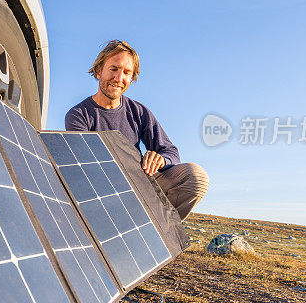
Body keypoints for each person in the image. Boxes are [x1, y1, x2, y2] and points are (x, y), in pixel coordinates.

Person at [65, 40, 209, 220]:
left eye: (126, 72)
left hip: (141, 184)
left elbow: (171, 152)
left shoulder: (139, 112)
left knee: (197, 178)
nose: (119, 78)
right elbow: (85, 167)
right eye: (113, 69)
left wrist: (160, 160)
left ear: (132, 77)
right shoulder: (79, 115)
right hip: (103, 191)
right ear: (99, 70)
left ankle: (159, 236)